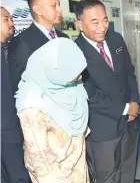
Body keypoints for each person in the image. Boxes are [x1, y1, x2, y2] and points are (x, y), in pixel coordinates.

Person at [74, 0, 140, 183]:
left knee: (127, 170)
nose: (102, 27)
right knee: (107, 176)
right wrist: (125, 108)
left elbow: (129, 73)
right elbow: (88, 93)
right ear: (79, 24)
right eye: (94, 22)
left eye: (105, 20)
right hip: (102, 129)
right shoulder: (74, 51)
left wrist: (134, 103)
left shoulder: (115, 38)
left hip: (129, 121)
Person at [15, 38, 89, 182]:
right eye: (74, 75)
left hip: (77, 165)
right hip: (55, 174)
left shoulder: (66, 82)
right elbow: (41, 160)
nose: (80, 77)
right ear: (53, 68)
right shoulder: (31, 104)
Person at [8, 0, 68, 93]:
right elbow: (17, 85)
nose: (59, 10)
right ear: (37, 10)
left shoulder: (64, 38)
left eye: (59, 5)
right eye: (54, 6)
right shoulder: (22, 42)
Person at [1, 6, 29, 183]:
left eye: (11, 18)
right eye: (6, 19)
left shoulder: (10, 49)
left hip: (14, 123)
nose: (12, 23)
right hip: (5, 127)